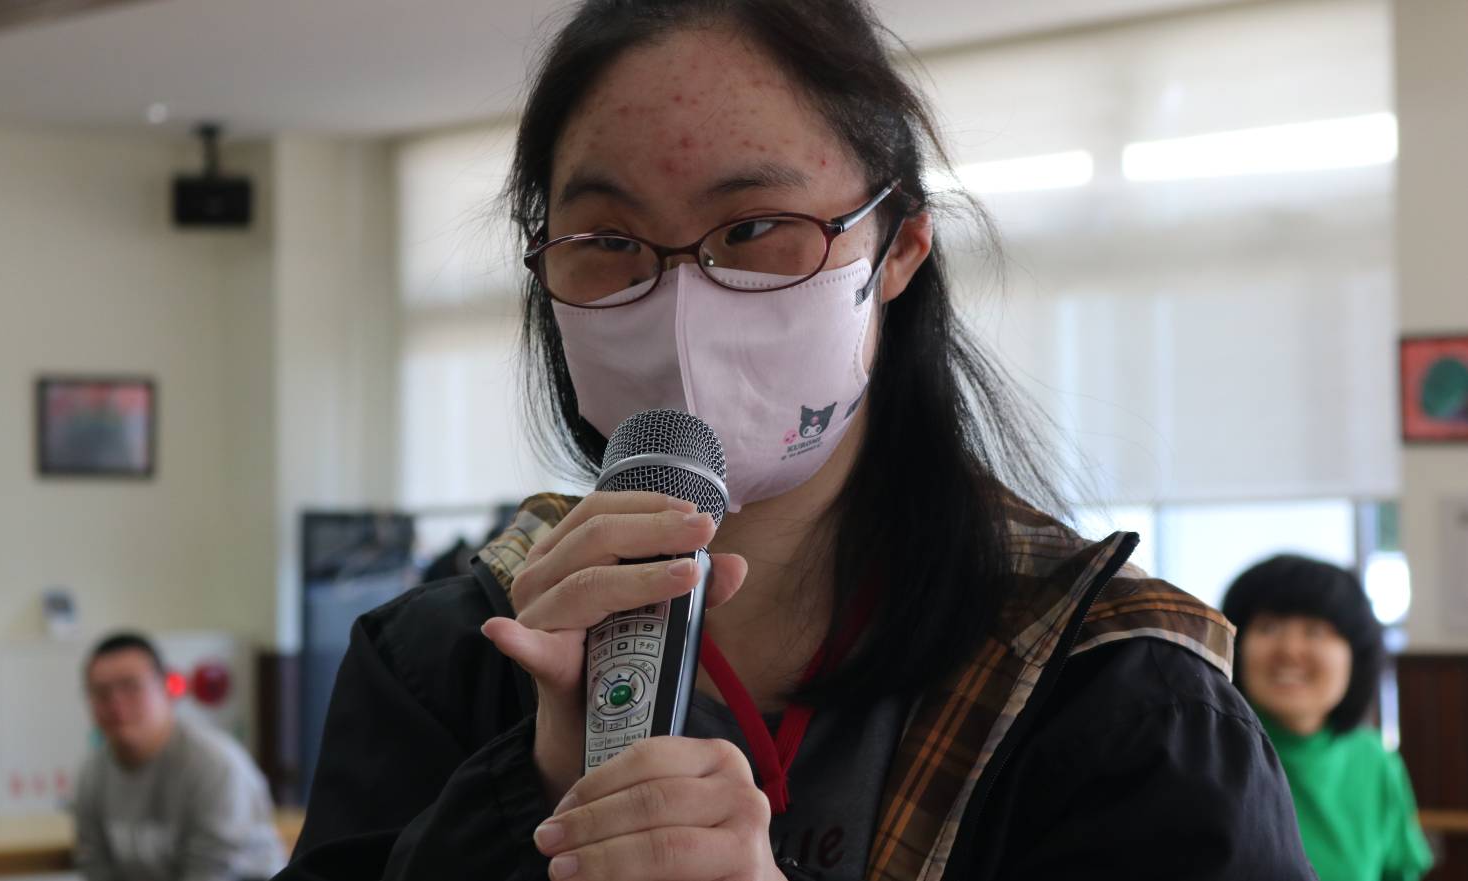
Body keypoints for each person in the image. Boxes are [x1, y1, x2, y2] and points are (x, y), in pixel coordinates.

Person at [279, 1, 1317, 878]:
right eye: (609, 240)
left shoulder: (1115, 697)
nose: (680, 303)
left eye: (752, 228)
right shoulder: (444, 661)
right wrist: (529, 800)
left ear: (899, 248)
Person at [1222, 555, 1435, 881]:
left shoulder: (1372, 760)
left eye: (1315, 631)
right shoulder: (1211, 755)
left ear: (1356, 656)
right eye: (1269, 627)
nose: (1289, 649)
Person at [75, 632, 286, 881]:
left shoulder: (214, 765)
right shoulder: (93, 774)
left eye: (130, 687)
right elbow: (95, 868)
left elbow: (211, 873)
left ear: (165, 687)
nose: (116, 703)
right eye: (101, 692)